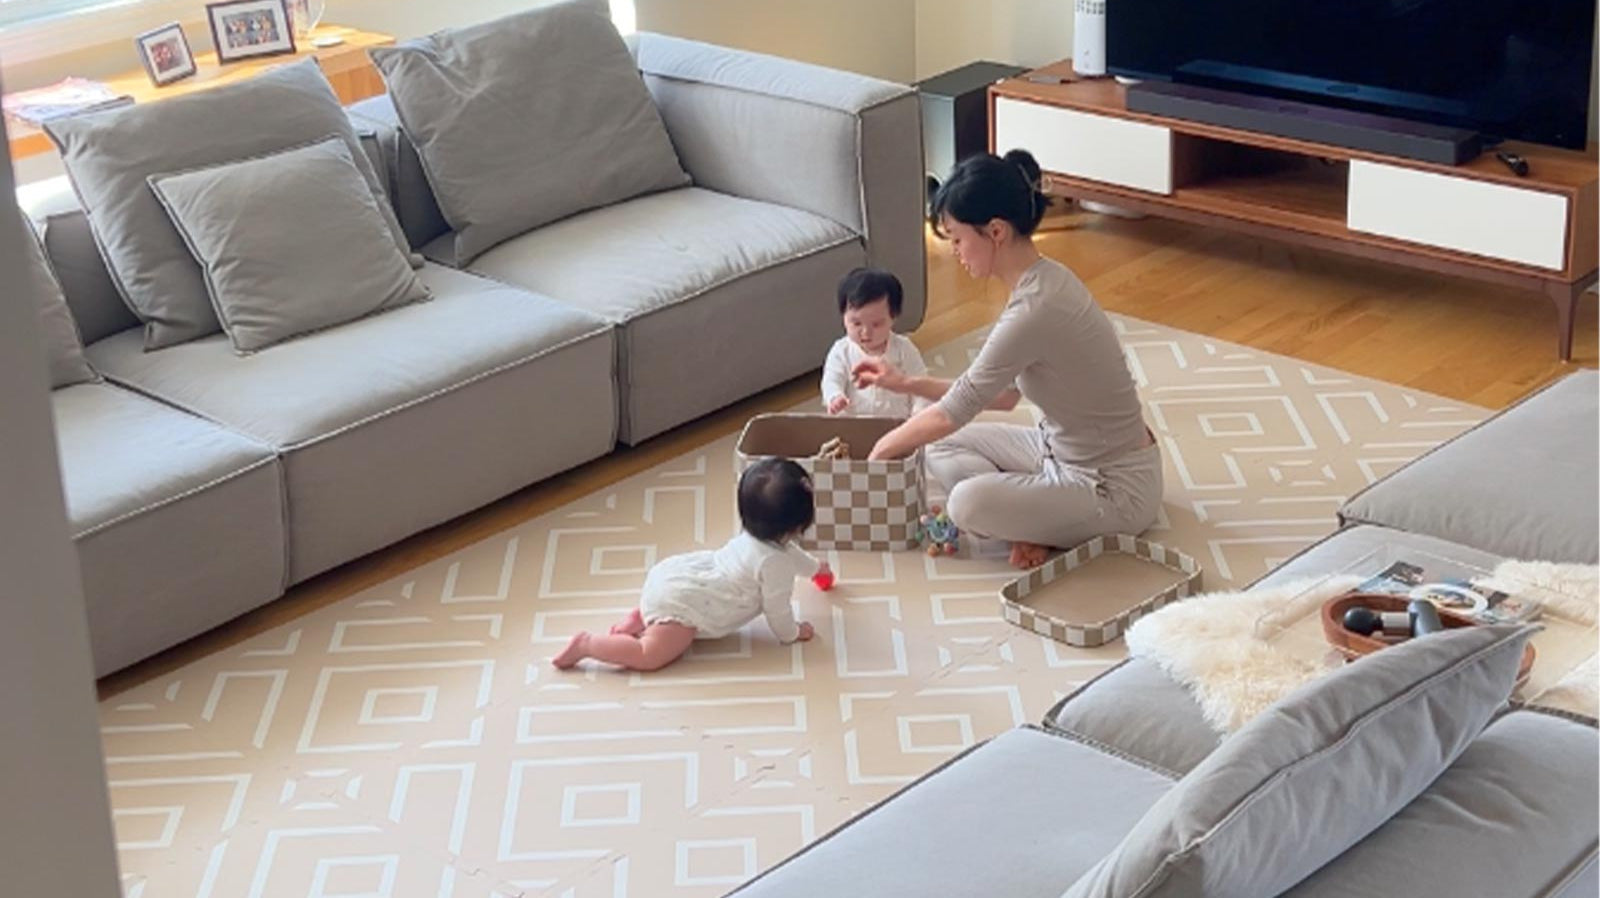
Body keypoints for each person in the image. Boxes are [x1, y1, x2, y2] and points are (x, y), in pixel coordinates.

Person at [853, 149, 1162, 570]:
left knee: (964, 501)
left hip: (1114, 488)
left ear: (995, 231)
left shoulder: (1035, 309)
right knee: (934, 439)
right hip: (1057, 452)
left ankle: (1037, 520)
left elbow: (957, 409)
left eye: (959, 238)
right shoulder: (1043, 279)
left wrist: (877, 453)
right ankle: (1035, 519)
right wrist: (905, 384)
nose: (956, 253)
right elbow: (998, 396)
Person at [551, 458, 828, 671]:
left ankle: (639, 618)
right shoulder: (775, 563)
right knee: (650, 655)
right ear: (797, 525)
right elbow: (776, 609)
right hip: (684, 606)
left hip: (676, 577)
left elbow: (795, 556)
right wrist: (792, 633)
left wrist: (818, 570)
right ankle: (588, 644)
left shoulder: (756, 540)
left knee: (660, 611)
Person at [821, 267, 928, 418]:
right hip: (856, 425)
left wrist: (919, 414)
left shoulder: (904, 349)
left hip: (898, 425)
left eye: (876, 324)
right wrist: (835, 397)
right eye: (856, 324)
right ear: (843, 316)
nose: (866, 332)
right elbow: (831, 380)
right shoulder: (841, 351)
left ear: (893, 317)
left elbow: (921, 385)